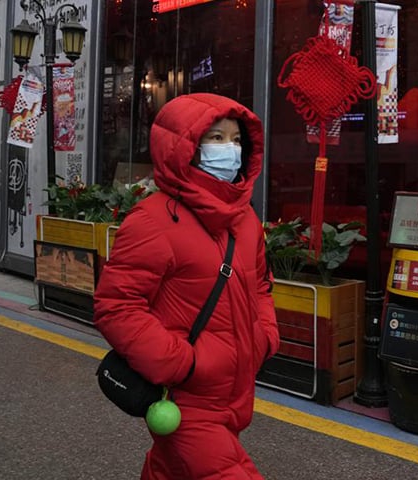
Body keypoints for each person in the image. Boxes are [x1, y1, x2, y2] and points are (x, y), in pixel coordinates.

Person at [94, 93, 280, 479]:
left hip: (235, 391)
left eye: (236, 140)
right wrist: (182, 363)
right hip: (184, 400)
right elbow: (117, 306)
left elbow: (261, 286)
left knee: (170, 470)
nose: (229, 149)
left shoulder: (244, 220)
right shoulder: (152, 221)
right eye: (215, 138)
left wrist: (264, 336)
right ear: (186, 147)